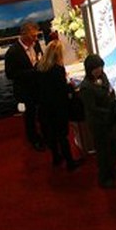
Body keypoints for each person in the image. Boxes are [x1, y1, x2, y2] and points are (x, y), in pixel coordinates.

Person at [36, 39, 82, 170]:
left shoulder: (39, 67)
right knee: (62, 135)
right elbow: (62, 90)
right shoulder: (58, 69)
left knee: (52, 135)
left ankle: (56, 158)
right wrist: (71, 86)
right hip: (58, 108)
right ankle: (70, 163)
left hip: (45, 108)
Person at [78, 55, 116, 189]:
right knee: (103, 150)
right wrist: (109, 111)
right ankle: (105, 176)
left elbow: (108, 87)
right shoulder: (86, 87)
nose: (100, 70)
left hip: (109, 118)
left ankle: (113, 168)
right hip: (98, 122)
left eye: (101, 67)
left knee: (112, 146)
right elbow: (92, 108)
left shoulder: (102, 76)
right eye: (97, 68)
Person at [3, 22, 44, 151]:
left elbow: (40, 60)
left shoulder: (36, 45)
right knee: (30, 117)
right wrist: (33, 72)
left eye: (36, 35)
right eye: (33, 36)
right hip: (25, 91)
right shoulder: (12, 52)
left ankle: (45, 135)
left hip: (39, 87)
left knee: (42, 113)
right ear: (23, 35)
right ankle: (34, 140)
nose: (36, 39)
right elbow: (10, 75)